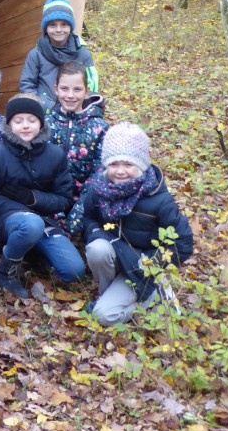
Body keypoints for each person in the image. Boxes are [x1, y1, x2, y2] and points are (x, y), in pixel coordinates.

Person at [78, 123, 194, 325]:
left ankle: (153, 298)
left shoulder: (159, 199)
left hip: (142, 268)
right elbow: (88, 219)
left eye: (128, 164)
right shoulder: (98, 188)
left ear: (141, 164)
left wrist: (149, 264)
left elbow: (183, 244)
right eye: (114, 164)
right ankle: (107, 295)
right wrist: (97, 233)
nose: (120, 171)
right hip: (116, 257)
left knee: (103, 316)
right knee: (97, 249)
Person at [0, 95, 85, 300]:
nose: (25, 126)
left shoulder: (55, 155)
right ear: (9, 124)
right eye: (18, 120)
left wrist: (32, 198)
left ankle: (29, 252)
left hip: (42, 220)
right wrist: (19, 209)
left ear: (41, 123)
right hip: (2, 222)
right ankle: (4, 273)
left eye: (31, 120)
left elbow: (64, 198)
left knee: (73, 270)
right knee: (30, 224)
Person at [46, 62, 109, 233]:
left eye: (77, 89)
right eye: (64, 89)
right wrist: (56, 213)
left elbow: (99, 175)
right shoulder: (46, 125)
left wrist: (76, 216)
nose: (70, 95)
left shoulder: (99, 127)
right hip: (52, 202)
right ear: (56, 89)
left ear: (87, 91)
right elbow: (41, 172)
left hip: (86, 203)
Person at [18, 0, 98, 107]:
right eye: (53, 25)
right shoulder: (36, 55)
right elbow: (27, 85)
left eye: (64, 25)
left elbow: (92, 86)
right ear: (46, 28)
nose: (59, 30)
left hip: (76, 112)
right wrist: (43, 106)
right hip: (45, 115)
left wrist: (85, 108)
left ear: (70, 27)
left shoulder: (83, 53)